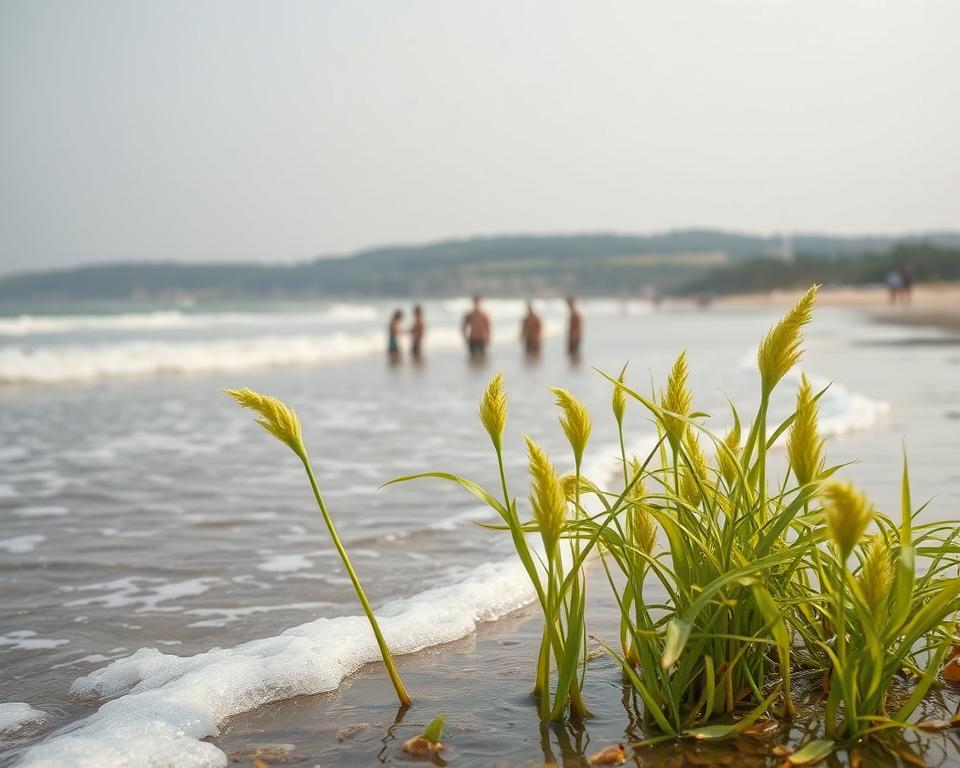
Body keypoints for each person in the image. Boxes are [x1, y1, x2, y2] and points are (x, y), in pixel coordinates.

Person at [462, 294, 491, 360]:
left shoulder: (484, 315)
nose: (476, 305)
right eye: (475, 302)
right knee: (472, 358)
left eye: (477, 302)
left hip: (481, 340)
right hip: (472, 339)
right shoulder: (469, 315)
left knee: (482, 359)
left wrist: (488, 340)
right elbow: (463, 327)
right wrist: (465, 338)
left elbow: (488, 329)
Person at [566, 295, 582, 359]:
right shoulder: (573, 313)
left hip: (575, 337)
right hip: (574, 336)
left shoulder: (575, 314)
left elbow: (577, 327)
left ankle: (575, 367)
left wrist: (574, 337)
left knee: (574, 354)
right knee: (573, 354)